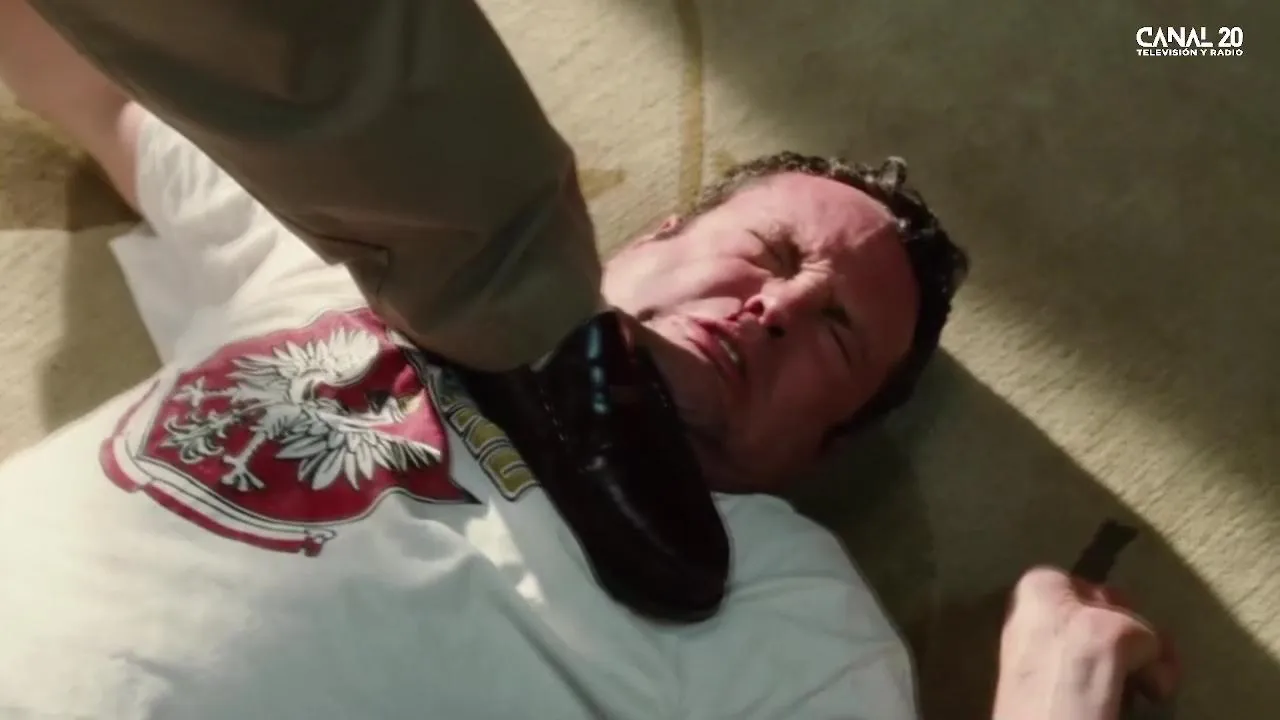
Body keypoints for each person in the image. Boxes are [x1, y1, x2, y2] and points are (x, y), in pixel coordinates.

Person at [0, 2, 1180, 718]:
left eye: (835, 333)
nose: (776, 307)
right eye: (769, 254)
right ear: (649, 240)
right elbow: (111, 72)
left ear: (817, 453)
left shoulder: (786, 607)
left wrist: (1051, 684)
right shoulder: (351, 240)